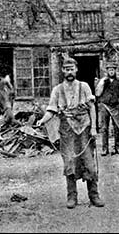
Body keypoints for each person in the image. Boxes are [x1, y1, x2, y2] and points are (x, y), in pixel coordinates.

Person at [36, 57, 104, 209]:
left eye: (71, 69)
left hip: (85, 128)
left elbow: (92, 107)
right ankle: (72, 196)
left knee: (89, 163)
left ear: (76, 69)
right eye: (66, 69)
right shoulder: (57, 90)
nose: (69, 72)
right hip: (67, 130)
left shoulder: (85, 86)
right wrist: (43, 120)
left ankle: (94, 195)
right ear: (62, 71)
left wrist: (94, 128)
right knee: (69, 163)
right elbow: (51, 110)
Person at [95, 61, 119, 156]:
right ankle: (104, 149)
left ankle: (118, 147)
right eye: (109, 70)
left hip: (115, 106)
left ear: (115, 71)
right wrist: (101, 84)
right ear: (107, 71)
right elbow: (97, 93)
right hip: (104, 106)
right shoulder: (103, 81)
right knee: (104, 128)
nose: (111, 71)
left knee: (117, 127)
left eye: (113, 70)